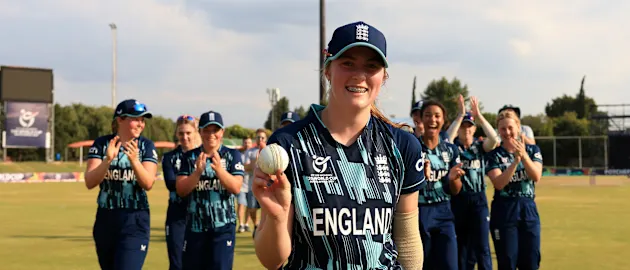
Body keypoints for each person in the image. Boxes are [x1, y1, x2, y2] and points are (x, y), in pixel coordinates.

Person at [252, 21, 426, 270]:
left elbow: (407, 242)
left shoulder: (402, 145)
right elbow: (272, 260)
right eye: (347, 63)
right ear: (327, 70)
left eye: (371, 66)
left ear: (383, 77)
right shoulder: (288, 145)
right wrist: (277, 217)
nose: (359, 74)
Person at [84, 99, 158, 270]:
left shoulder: (146, 146)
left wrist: (134, 161)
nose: (140, 124)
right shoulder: (102, 144)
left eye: (142, 120)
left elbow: (148, 183)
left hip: (135, 219)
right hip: (106, 219)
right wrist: (108, 160)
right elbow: (90, 182)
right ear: (120, 119)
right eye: (136, 119)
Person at [175, 111, 245, 270]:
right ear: (200, 131)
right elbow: (181, 189)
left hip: (223, 228)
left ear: (222, 132)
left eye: (215, 130)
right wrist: (197, 173)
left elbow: (236, 187)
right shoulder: (190, 157)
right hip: (195, 228)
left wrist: (219, 170)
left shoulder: (232, 155)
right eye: (207, 130)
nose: (211, 134)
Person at [486, 110, 543, 270]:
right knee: (507, 262)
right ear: (498, 131)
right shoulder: (494, 155)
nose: (507, 132)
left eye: (510, 127)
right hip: (504, 210)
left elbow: (536, 175)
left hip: (528, 209)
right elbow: (499, 183)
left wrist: (523, 156)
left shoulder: (533, 150)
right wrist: (515, 162)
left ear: (518, 127)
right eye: (503, 129)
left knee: (531, 262)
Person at [446, 96, 498, 270]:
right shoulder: (453, 148)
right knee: (461, 246)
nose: (466, 130)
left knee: (482, 245)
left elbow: (495, 139)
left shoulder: (480, 147)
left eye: (470, 127)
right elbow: (446, 139)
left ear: (475, 129)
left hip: (478, 201)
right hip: (459, 200)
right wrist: (461, 115)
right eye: (463, 127)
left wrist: (479, 116)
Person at [417, 100, 465, 270]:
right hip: (419, 212)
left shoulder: (451, 150)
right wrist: (418, 176)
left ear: (443, 120)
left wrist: (452, 179)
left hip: (444, 211)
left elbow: (456, 190)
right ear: (421, 119)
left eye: (437, 116)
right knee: (424, 264)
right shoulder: (412, 148)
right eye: (428, 115)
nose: (432, 120)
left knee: (450, 264)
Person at [162, 114, 201, 270]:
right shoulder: (170, 157)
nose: (184, 137)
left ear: (196, 133)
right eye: (181, 133)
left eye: (188, 133)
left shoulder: (204, 156)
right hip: (177, 216)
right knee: (177, 264)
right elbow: (172, 184)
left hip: (201, 216)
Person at [243, 128, 268, 238]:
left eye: (263, 137)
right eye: (258, 137)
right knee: (252, 208)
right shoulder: (250, 152)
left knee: (266, 210)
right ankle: (256, 225)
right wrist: (254, 163)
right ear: (255, 139)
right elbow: (245, 167)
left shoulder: (270, 151)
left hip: (266, 187)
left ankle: (264, 229)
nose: (260, 139)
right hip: (252, 186)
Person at [237, 137, 254, 233]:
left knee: (250, 206)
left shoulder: (254, 154)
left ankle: (247, 224)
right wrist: (249, 166)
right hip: (241, 184)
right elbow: (247, 167)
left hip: (251, 184)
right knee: (241, 204)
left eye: (249, 142)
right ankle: (241, 224)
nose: (247, 144)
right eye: (245, 142)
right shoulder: (239, 155)